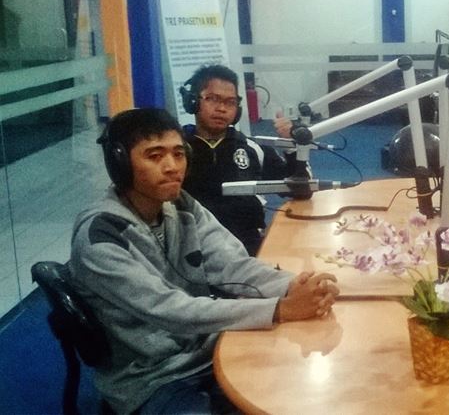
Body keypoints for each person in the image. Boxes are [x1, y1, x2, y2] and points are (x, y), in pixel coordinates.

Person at [69, 108, 338, 414]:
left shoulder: (180, 204)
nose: (172, 167)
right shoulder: (101, 237)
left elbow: (234, 265)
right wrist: (280, 308)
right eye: (155, 156)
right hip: (152, 379)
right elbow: (170, 310)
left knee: (301, 389)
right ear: (120, 163)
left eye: (178, 154)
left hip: (206, 350)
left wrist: (295, 286)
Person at [179, 64, 298, 256]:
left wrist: (291, 147)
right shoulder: (175, 151)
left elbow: (300, 189)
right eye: (212, 99)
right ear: (192, 101)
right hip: (191, 250)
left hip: (247, 250)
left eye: (230, 102)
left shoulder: (253, 149)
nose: (221, 108)